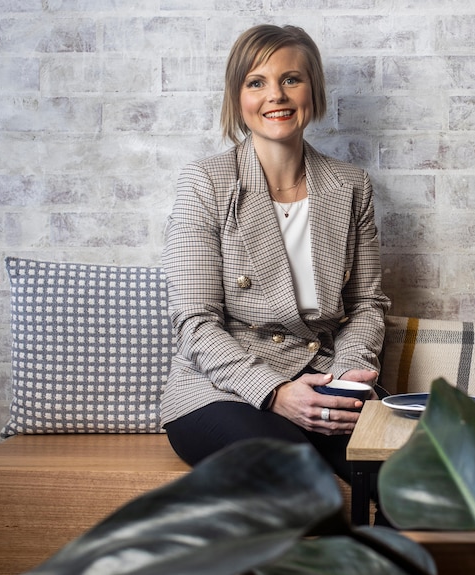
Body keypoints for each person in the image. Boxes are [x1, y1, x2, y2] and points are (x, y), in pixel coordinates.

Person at [160, 24, 391, 484]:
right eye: (256, 82)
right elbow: (195, 322)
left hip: (324, 378)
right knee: (301, 478)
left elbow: (366, 306)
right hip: (222, 390)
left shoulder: (351, 186)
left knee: (407, 475)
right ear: (237, 96)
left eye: (291, 79)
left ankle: (393, 558)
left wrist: (346, 377)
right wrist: (275, 392)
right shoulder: (205, 183)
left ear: (312, 90)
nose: (276, 96)